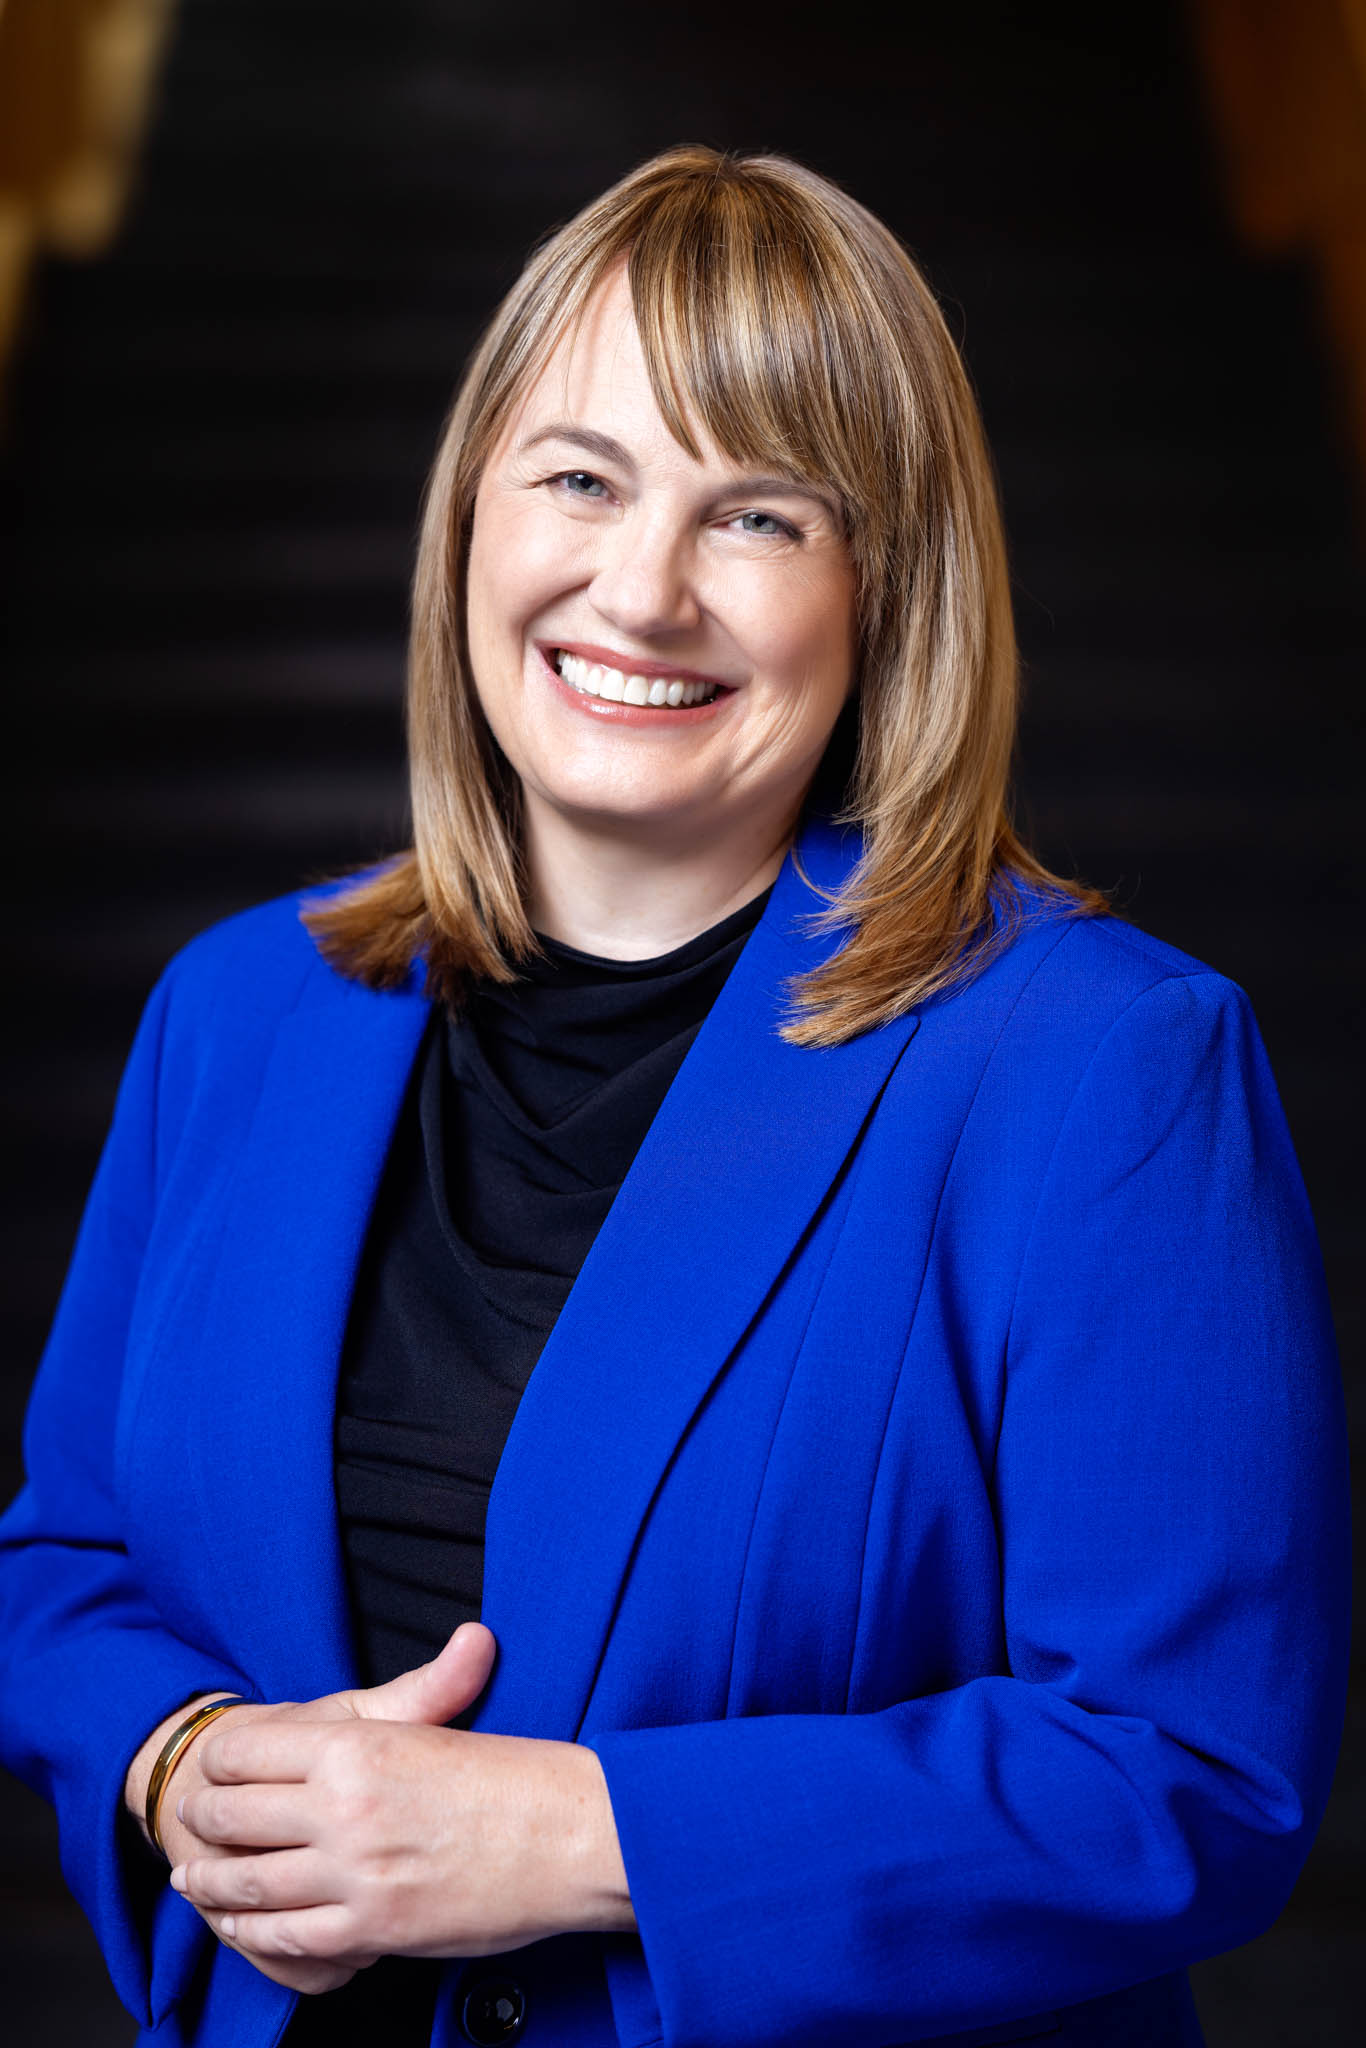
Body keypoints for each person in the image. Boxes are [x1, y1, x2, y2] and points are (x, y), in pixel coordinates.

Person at [0, 145, 1349, 2048]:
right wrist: (179, 1756)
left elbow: (1191, 1771)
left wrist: (578, 1836)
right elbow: (67, 1562)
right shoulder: (240, 1010)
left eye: (759, 518)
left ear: (887, 591)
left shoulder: (1101, 1067)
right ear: (473, 513)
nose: (638, 589)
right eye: (579, 478)